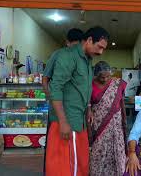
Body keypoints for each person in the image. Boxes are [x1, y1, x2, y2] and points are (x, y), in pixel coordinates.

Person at [45, 26, 109, 176]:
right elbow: (55, 88)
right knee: (66, 167)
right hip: (67, 122)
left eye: (103, 49)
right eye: (99, 47)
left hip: (79, 122)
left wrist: (88, 108)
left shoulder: (87, 60)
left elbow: (83, 88)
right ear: (89, 40)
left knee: (81, 164)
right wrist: (63, 122)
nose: (101, 52)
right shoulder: (68, 56)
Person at [89, 61, 127, 176]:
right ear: (96, 75)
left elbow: (122, 103)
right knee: (98, 154)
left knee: (117, 153)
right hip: (99, 126)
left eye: (107, 76)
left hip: (116, 127)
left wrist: (124, 121)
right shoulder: (90, 85)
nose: (105, 79)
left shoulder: (117, 83)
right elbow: (88, 104)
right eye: (102, 77)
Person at [42, 28, 84, 96]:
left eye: (79, 47)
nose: (76, 50)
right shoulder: (57, 55)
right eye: (74, 47)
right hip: (58, 97)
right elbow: (45, 77)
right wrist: (49, 95)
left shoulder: (82, 58)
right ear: (67, 43)